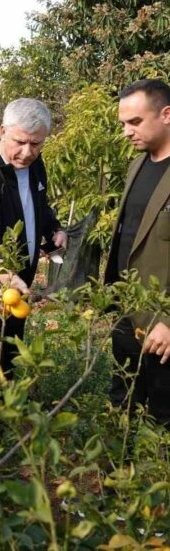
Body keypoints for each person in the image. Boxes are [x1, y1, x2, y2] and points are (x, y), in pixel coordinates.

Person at [0, 98, 67, 374]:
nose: (28, 152)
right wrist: (5, 274)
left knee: (9, 354)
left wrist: (53, 229)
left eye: (36, 144)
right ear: (2, 132)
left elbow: (39, 204)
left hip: (21, 281)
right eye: (20, 142)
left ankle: (6, 411)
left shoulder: (35, 163)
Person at [104, 78, 170, 425]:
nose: (127, 132)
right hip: (126, 311)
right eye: (123, 124)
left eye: (135, 122)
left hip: (163, 325)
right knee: (123, 401)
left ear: (166, 114)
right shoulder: (137, 166)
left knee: (162, 415)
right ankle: (117, 477)